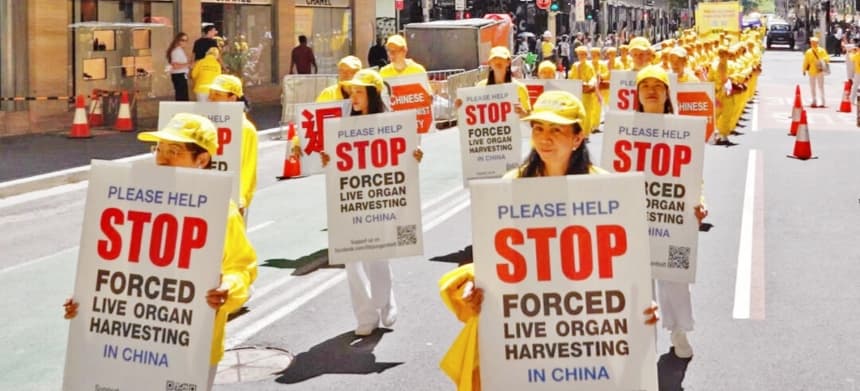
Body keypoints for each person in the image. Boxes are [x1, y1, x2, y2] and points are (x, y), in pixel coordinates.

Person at [439, 91, 661, 390]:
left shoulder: (605, 188)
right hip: (527, 323)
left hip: (590, 322)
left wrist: (643, 303)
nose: (545, 138)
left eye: (556, 129)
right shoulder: (509, 186)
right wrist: (475, 284)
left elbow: (626, 265)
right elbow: (495, 260)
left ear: (578, 138)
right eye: (538, 128)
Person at [64, 112, 258, 389]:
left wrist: (229, 288)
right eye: (160, 149)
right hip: (127, 342)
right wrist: (85, 301)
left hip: (191, 349)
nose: (162, 158)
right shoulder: (132, 200)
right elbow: (110, 265)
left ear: (201, 160)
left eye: (174, 151)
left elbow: (243, 268)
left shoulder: (220, 210)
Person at [319, 69, 423, 336]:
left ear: (373, 95)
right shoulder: (341, 125)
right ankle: (365, 316)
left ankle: (385, 301)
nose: (353, 97)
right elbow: (331, 158)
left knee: (378, 255)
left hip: (380, 201)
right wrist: (327, 160)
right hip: (351, 201)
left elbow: (404, 159)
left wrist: (415, 155)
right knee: (351, 259)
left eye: (359, 91)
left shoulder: (393, 124)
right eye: (351, 91)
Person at [635, 65, 707, 360]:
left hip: (673, 218)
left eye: (658, 86)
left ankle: (679, 331)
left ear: (667, 93)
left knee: (676, 279)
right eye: (645, 86)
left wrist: (700, 201)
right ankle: (641, 341)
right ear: (637, 94)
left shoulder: (681, 130)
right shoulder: (624, 129)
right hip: (635, 217)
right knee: (637, 281)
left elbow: (692, 175)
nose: (651, 90)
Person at [207, 74, 259, 217]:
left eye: (217, 94)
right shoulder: (204, 124)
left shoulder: (246, 129)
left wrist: (240, 199)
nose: (211, 99)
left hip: (231, 203)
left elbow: (248, 167)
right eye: (210, 94)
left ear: (232, 98)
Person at [474, 47, 531, 116]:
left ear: (508, 62)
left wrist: (522, 112)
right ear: (489, 63)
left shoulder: (519, 87)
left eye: (502, 58)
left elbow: (529, 119)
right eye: (494, 58)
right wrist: (461, 105)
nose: (498, 61)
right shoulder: (480, 87)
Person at [802, 36, 830, 107]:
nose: (813, 43)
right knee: (820, 87)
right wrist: (822, 60)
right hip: (819, 70)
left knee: (813, 87)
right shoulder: (821, 50)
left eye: (813, 42)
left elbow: (806, 62)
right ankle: (822, 102)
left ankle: (815, 101)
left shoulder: (809, 51)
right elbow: (827, 58)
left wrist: (804, 70)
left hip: (813, 71)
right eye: (812, 42)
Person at [166, 32, 191, 101]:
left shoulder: (179, 50)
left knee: (182, 97)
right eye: (183, 40)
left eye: (186, 40)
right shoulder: (177, 51)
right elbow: (175, 65)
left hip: (180, 76)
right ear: (178, 40)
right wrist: (188, 64)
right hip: (179, 76)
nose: (185, 42)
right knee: (182, 98)